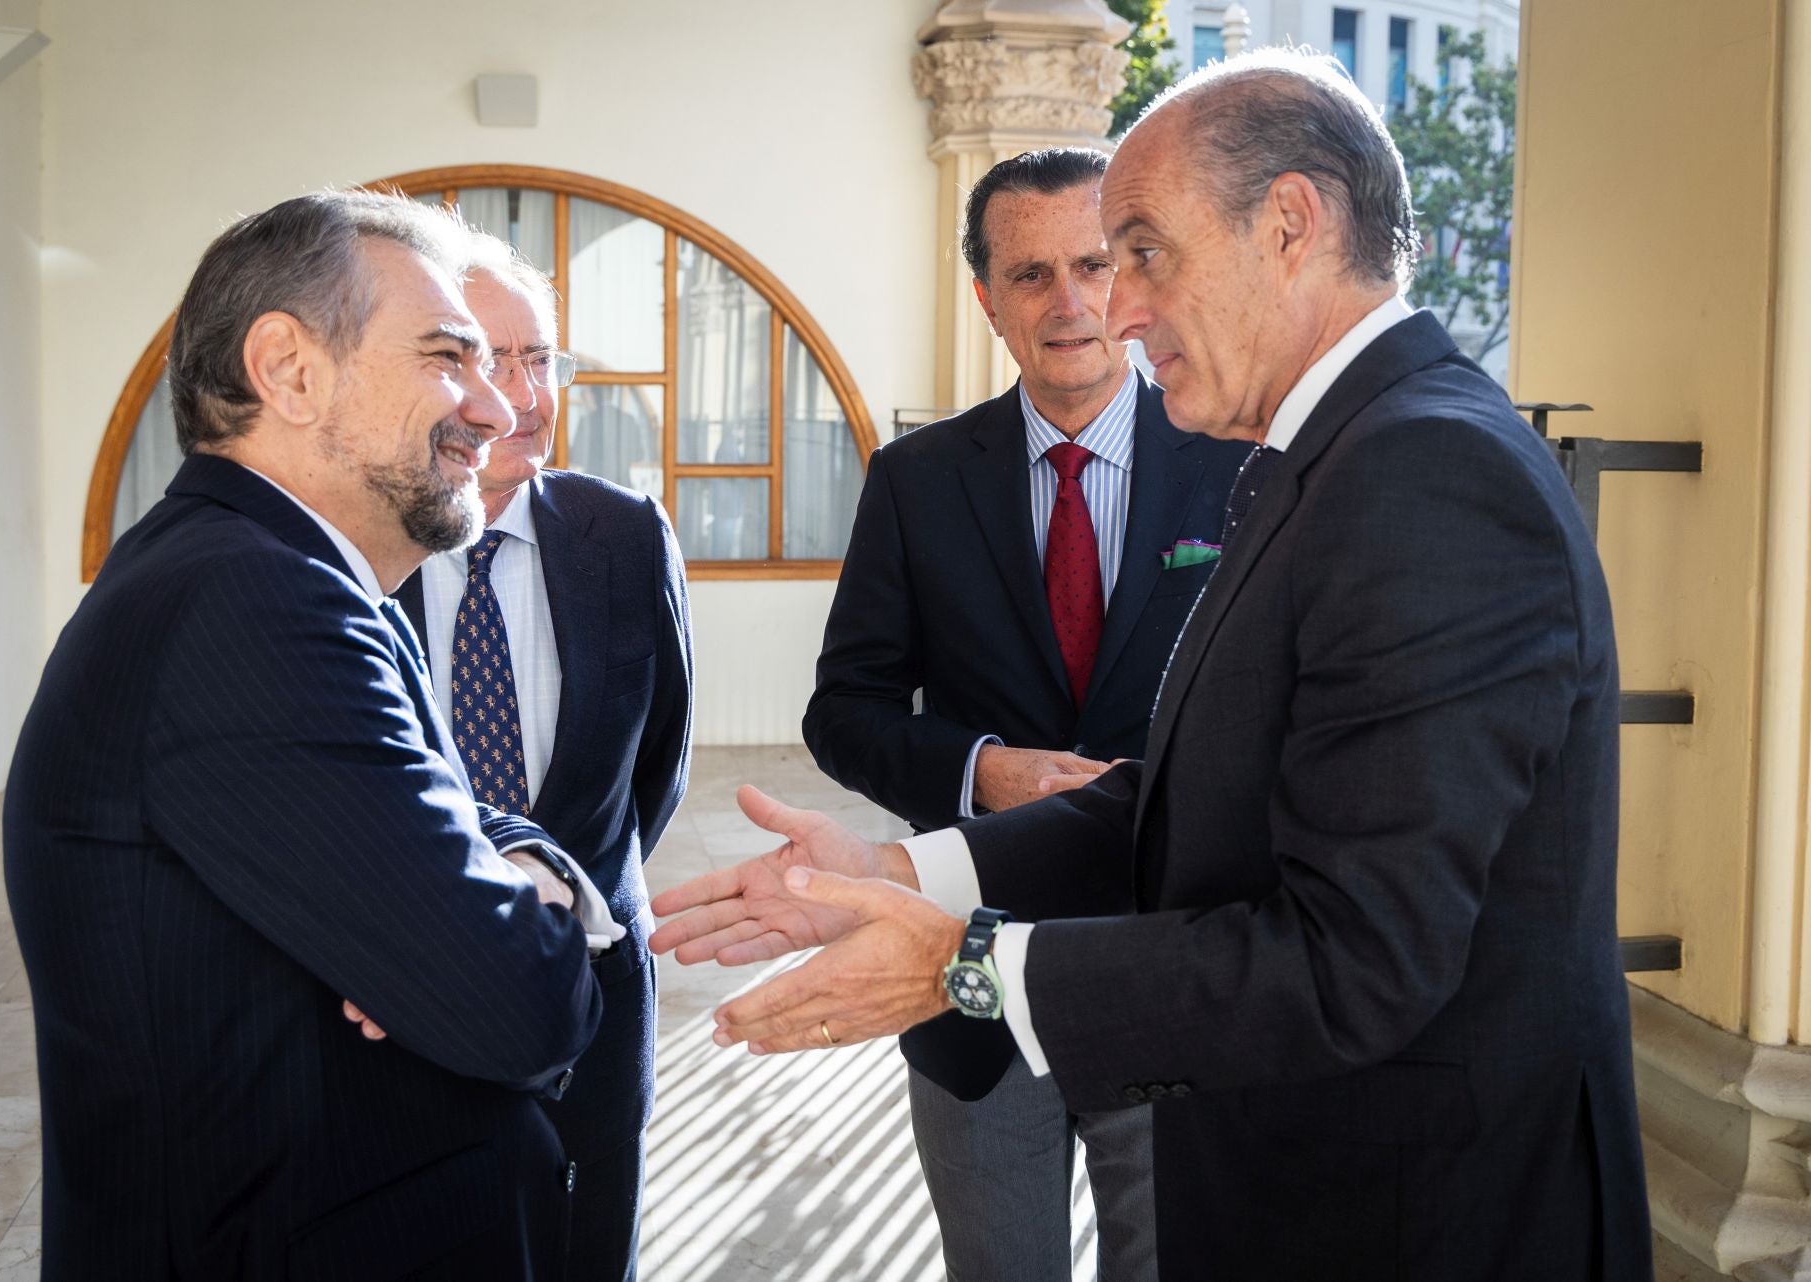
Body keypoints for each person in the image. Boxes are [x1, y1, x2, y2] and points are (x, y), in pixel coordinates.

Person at [653, 49, 1654, 1282]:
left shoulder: (1423, 476)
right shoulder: (1326, 455)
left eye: (1139, 253)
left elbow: (1359, 958)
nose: (1112, 310)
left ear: (1290, 223)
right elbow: (1182, 791)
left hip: (1410, 1209)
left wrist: (966, 963)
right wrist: (899, 863)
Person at [5, 190, 602, 1280]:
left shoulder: (289, 577)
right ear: (287, 369)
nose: (493, 404)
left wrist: (508, 864)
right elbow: (515, 1003)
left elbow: (466, 838)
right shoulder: (254, 605)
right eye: (446, 356)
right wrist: (527, 908)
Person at [800, 147, 1246, 1280]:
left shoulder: (1241, 470)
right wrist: (981, 770)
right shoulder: (917, 479)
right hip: (972, 971)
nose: (1070, 302)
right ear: (988, 297)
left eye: (1096, 263)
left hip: (1170, 962)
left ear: (1136, 274)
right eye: (1032, 273)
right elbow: (844, 708)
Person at [394, 230, 693, 1282]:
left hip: (595, 1004)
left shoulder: (624, 534)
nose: (518, 395)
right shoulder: (349, 560)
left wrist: (577, 886)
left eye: (538, 359)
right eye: (478, 360)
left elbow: (653, 768)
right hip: (397, 1010)